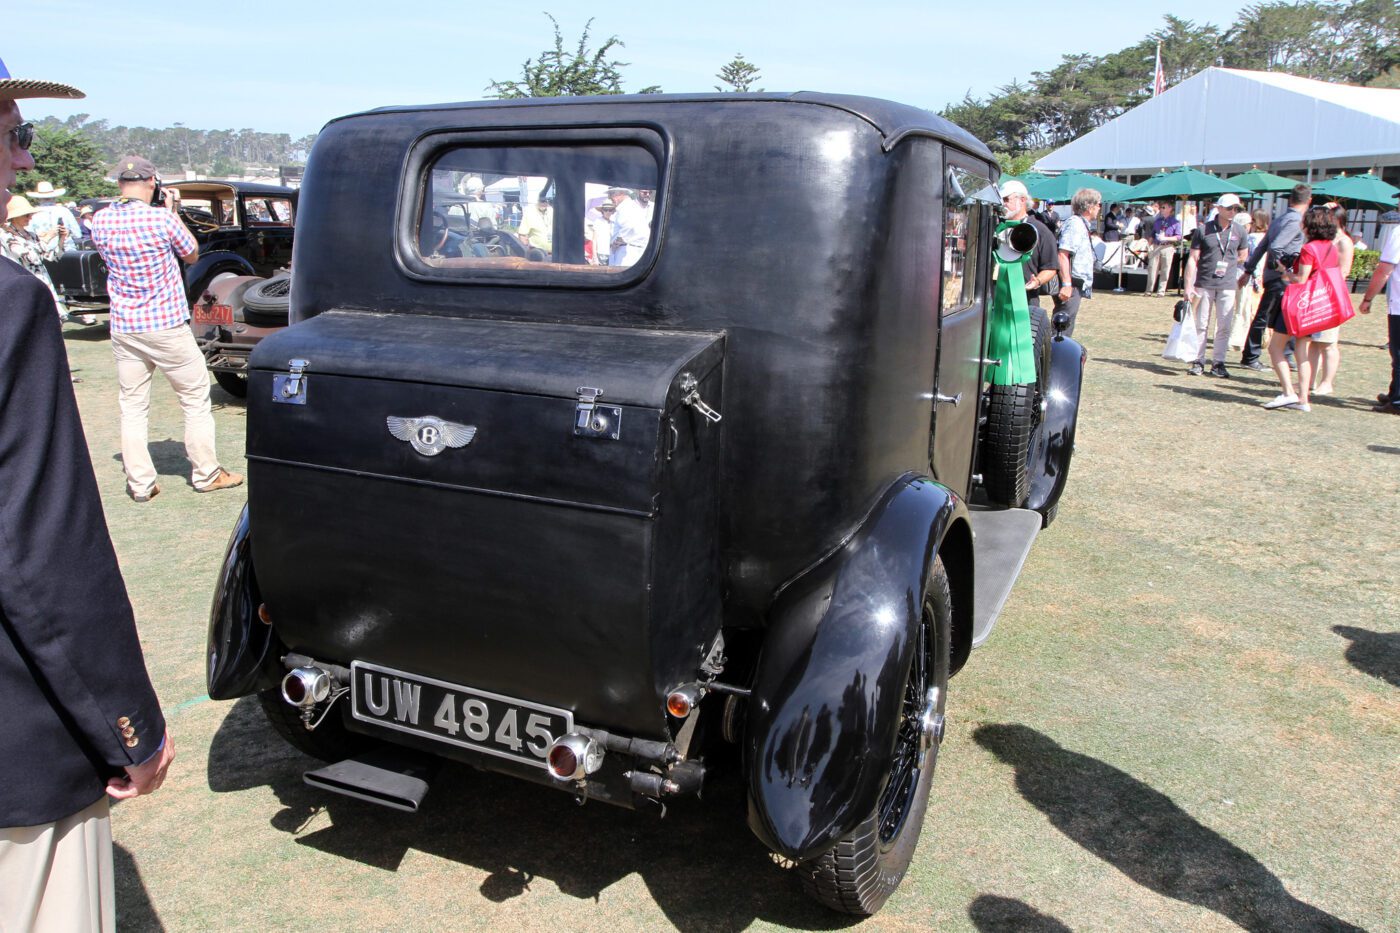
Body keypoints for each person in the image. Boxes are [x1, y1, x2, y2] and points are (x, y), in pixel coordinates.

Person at [0, 59, 174, 933]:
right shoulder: (8, 306)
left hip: (126, 333)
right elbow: (38, 548)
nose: (23, 163)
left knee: (137, 413)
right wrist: (130, 724)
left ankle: (145, 469)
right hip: (14, 756)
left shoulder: (96, 231)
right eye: (13, 133)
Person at [89, 154, 244, 500]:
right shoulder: (161, 219)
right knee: (194, 399)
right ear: (152, 182)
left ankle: (141, 483)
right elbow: (190, 253)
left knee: (132, 406)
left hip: (125, 325)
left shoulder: (100, 221)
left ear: (119, 183)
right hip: (165, 323)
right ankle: (206, 472)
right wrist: (172, 211)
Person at [1262, 206, 1341, 412]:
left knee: (1275, 348)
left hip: (1299, 305)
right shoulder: (1332, 247)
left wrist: (1284, 271)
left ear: (1310, 226)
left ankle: (1288, 392)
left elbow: (1301, 279)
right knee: (1302, 351)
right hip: (1317, 305)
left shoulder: (1309, 249)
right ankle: (1303, 399)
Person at [1239, 184, 1311, 370]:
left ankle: (1285, 356)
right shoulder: (1295, 221)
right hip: (1282, 277)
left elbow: (1263, 246)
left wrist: (1248, 270)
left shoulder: (1281, 219)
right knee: (1267, 316)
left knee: (1283, 317)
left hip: (1274, 275)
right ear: (1308, 201)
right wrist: (1285, 269)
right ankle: (1251, 356)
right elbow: (1275, 247)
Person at [1182, 192, 1248, 377]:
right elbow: (1193, 258)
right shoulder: (1203, 230)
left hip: (1227, 284)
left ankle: (1218, 362)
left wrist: (1236, 271)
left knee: (1224, 324)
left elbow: (1244, 255)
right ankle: (1198, 360)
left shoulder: (1240, 231)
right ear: (1218, 209)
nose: (1233, 212)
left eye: (1236, 209)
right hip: (1205, 282)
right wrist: (1188, 285)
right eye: (1229, 208)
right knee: (1201, 323)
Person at [1358, 193, 1400, 415]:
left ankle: (1398, 400)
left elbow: (1384, 270)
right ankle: (1395, 394)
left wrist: (1368, 298)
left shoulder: (1398, 233)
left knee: (1398, 353)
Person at [1309, 204, 1357, 396]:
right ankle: (1309, 380)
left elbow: (1343, 273)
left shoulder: (1344, 242)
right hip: (1316, 294)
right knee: (1313, 341)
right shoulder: (1324, 239)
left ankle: (1327, 382)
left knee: (1328, 343)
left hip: (1331, 296)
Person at [1, 193, 69, 321]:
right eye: (26, 215)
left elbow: (52, 257)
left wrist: (61, 239)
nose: (30, 217)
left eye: (30, 214)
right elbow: (30, 257)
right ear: (15, 217)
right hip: (25, 284)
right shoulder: (5, 236)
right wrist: (48, 238)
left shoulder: (31, 235)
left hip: (43, 282)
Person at [999, 180, 1060, 308]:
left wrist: (1037, 281)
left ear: (1022, 200)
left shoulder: (1041, 231)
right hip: (994, 299)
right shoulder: (996, 228)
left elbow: (1051, 267)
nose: (1002, 204)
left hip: (1024, 302)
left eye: (1006, 199)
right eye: (1001, 200)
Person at [1052, 187, 1101, 337]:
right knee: (1062, 326)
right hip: (1071, 284)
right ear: (1090, 206)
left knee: (1066, 325)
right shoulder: (1075, 224)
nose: (1100, 208)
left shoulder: (1080, 224)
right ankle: (1052, 358)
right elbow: (1063, 254)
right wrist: (1067, 284)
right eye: (1098, 204)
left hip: (1074, 283)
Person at [1231, 208, 1269, 350]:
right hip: (1249, 275)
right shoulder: (1254, 238)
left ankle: (1235, 338)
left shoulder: (1249, 237)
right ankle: (1238, 339)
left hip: (1243, 274)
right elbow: (1252, 260)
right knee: (1244, 309)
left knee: (1239, 308)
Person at [606, 186, 649, 267]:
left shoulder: (626, 207)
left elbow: (629, 226)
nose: (610, 198)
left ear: (620, 194)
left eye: (611, 195)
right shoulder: (630, 206)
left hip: (626, 253)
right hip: (630, 251)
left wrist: (618, 241)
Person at [1146, 201, 1182, 296]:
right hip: (1156, 246)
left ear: (1170, 209)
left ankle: (1161, 291)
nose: (1161, 209)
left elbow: (1178, 237)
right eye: (1161, 207)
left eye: (1163, 207)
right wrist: (1149, 245)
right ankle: (1149, 290)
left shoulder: (1175, 222)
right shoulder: (1158, 221)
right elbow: (1152, 234)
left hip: (1167, 246)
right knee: (1152, 268)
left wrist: (1166, 238)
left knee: (1165, 269)